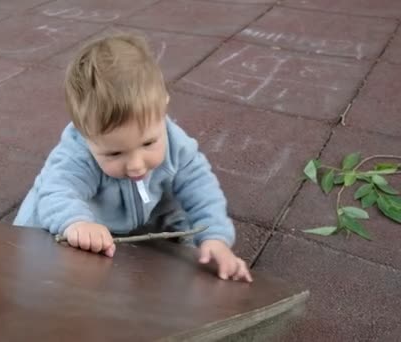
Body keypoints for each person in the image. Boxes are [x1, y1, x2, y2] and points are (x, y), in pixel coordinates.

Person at [14, 33, 252, 282]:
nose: (136, 165)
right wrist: (76, 223)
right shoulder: (76, 154)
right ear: (85, 134)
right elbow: (58, 190)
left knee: (186, 214)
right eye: (115, 153)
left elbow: (201, 187)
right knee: (43, 270)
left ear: (163, 108)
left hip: (132, 219)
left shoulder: (174, 142)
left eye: (148, 143)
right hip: (63, 222)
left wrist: (215, 236)